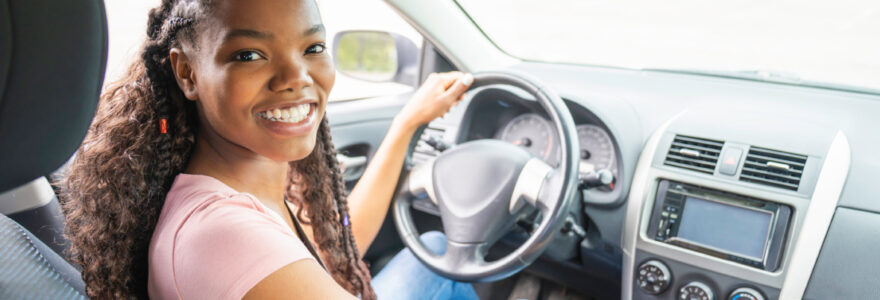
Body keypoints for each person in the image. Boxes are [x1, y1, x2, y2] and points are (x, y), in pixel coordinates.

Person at [60, 0, 477, 299]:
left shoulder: (240, 181)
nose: (295, 77)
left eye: (313, 48)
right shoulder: (221, 236)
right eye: (249, 55)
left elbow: (329, 250)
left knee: (437, 248)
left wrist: (406, 125)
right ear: (187, 72)